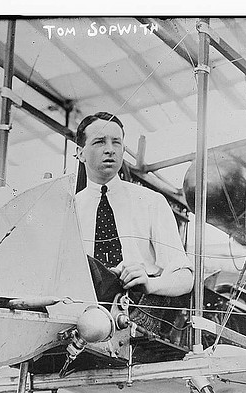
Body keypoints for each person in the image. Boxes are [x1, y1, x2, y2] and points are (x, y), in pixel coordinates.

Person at [74, 112, 193, 304]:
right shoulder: (70, 209)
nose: (110, 150)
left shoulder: (151, 202)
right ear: (80, 153)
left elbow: (185, 278)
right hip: (83, 311)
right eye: (99, 142)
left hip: (137, 312)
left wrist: (150, 284)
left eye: (116, 142)